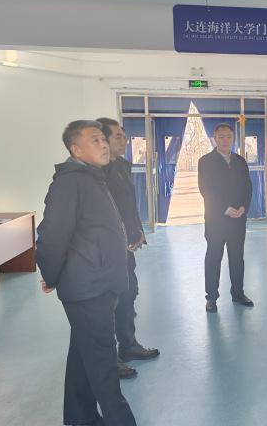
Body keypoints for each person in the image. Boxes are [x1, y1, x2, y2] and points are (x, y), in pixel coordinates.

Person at [36, 120, 136, 426]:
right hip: (89, 288)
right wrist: (51, 275)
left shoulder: (93, 177)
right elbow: (51, 236)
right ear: (75, 150)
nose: (104, 144)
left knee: (82, 356)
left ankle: (81, 419)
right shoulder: (70, 183)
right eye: (95, 140)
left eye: (104, 139)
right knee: (104, 365)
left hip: (99, 283)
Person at [97, 118, 160, 379]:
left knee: (127, 294)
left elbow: (129, 204)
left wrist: (138, 229)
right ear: (103, 140)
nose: (124, 141)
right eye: (118, 137)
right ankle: (110, 358)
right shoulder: (97, 173)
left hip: (126, 247)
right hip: (107, 249)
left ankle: (129, 345)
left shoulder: (122, 165)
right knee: (109, 303)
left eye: (124, 136)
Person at [198, 123, 253, 313]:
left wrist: (243, 207)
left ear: (233, 138)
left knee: (237, 258)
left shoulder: (240, 161)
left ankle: (238, 293)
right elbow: (206, 189)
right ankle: (211, 298)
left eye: (228, 136)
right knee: (214, 257)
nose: (225, 140)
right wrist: (226, 209)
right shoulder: (206, 161)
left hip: (238, 219)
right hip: (216, 219)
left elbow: (248, 187)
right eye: (221, 137)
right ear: (214, 138)